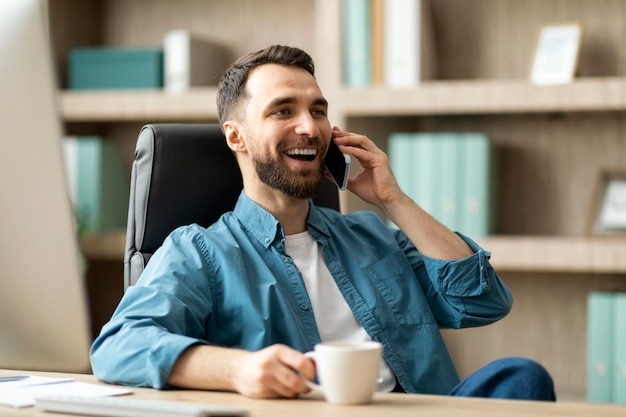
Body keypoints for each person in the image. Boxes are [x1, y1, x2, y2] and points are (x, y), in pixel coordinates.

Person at [90, 45, 555, 401]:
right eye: (282, 110)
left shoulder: (371, 235)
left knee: (521, 379)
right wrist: (239, 370)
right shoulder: (200, 252)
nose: (310, 128)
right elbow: (118, 346)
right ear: (236, 136)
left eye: (318, 110)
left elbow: (483, 301)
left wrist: (392, 199)